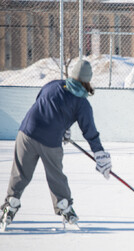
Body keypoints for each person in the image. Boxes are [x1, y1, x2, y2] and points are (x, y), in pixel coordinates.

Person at [0, 60, 112, 229]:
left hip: (26, 133)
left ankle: (11, 204)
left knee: (21, 173)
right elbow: (89, 132)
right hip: (50, 141)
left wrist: (63, 126)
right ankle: (64, 206)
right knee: (56, 175)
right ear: (88, 80)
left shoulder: (54, 85)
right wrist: (100, 154)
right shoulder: (82, 103)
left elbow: (42, 103)